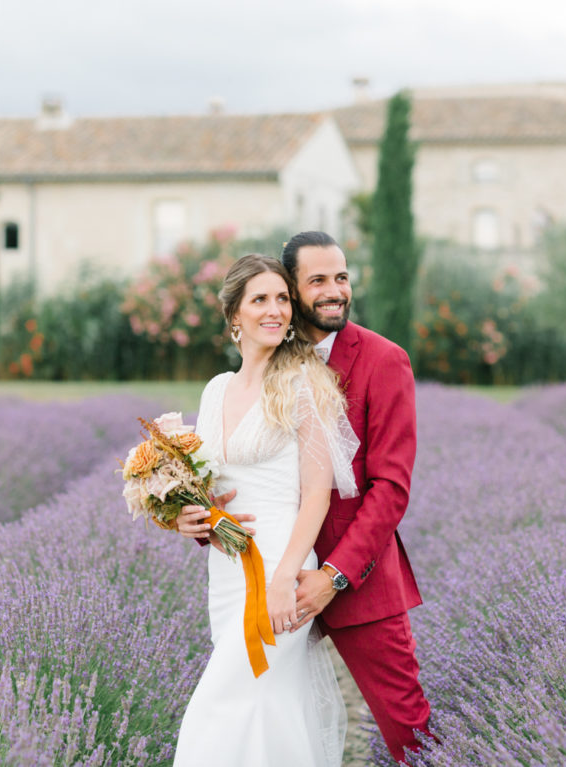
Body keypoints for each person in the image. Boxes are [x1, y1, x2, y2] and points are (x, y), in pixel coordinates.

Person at [178, 232, 431, 763]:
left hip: (350, 578)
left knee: (407, 729)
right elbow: (220, 481)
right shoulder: (226, 385)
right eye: (317, 281)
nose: (335, 290)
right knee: (260, 707)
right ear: (291, 289)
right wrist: (197, 520)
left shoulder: (384, 361)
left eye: (342, 277)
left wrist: (332, 576)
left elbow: (390, 488)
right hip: (248, 571)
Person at [173, 254, 361, 767]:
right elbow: (206, 485)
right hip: (227, 571)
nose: (276, 310)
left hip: (280, 567)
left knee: (224, 701)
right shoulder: (216, 390)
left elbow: (317, 495)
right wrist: (189, 517)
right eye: (260, 300)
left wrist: (285, 579)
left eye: (282, 298)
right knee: (261, 704)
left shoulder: (303, 386)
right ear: (234, 315)